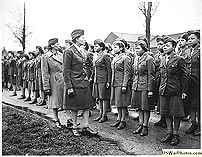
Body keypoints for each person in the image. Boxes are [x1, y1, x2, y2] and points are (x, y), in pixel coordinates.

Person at [63, 29, 98, 136]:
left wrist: (87, 76)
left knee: (87, 105)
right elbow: (66, 70)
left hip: (84, 82)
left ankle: (85, 126)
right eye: (82, 37)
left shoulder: (82, 51)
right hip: (74, 83)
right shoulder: (69, 51)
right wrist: (69, 86)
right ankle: (74, 126)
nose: (84, 39)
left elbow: (86, 65)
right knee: (74, 106)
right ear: (77, 39)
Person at [159, 36, 188, 146]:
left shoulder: (179, 59)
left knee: (176, 113)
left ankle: (175, 134)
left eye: (168, 45)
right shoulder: (162, 59)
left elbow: (183, 76)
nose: (165, 47)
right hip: (164, 89)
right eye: (164, 45)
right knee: (166, 112)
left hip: (175, 90)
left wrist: (184, 91)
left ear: (174, 47)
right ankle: (169, 133)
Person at [131, 37, 155, 136]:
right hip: (136, 85)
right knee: (139, 107)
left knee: (146, 107)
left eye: (138, 48)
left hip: (145, 86)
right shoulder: (136, 58)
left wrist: (150, 89)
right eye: (135, 48)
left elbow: (151, 75)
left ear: (144, 48)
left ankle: (145, 126)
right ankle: (140, 124)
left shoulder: (149, 58)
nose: (136, 50)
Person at [41, 38, 64, 128]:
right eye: (57, 44)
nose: (58, 46)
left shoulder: (61, 55)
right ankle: (56, 119)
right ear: (52, 46)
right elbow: (45, 73)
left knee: (65, 100)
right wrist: (46, 86)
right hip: (53, 81)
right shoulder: (46, 57)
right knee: (55, 102)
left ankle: (69, 119)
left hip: (63, 79)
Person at [110, 40, 131, 130]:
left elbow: (127, 72)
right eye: (113, 47)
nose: (114, 49)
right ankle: (119, 119)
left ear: (121, 48)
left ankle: (123, 120)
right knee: (118, 103)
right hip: (115, 82)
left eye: (115, 47)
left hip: (121, 82)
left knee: (122, 103)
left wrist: (124, 85)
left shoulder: (125, 58)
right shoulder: (115, 58)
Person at [92, 39, 112, 123]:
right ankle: (100, 113)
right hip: (97, 79)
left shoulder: (105, 56)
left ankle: (104, 115)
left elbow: (109, 69)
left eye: (96, 46)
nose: (95, 47)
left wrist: (108, 81)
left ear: (101, 47)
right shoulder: (96, 55)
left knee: (104, 98)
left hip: (103, 79)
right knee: (99, 98)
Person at [185, 31, 200, 136]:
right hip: (189, 81)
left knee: (199, 104)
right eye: (189, 39)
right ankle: (193, 123)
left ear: (198, 39)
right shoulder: (187, 51)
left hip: (198, 81)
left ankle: (200, 125)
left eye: (192, 39)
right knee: (191, 103)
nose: (189, 41)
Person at [176, 33, 191, 121]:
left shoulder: (187, 51)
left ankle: (187, 114)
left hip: (187, 75)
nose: (180, 42)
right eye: (179, 41)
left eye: (182, 40)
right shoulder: (179, 51)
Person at [153, 36, 167, 128]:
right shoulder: (156, 56)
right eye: (158, 44)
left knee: (164, 99)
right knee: (159, 99)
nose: (159, 46)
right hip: (157, 78)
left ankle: (165, 119)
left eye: (161, 44)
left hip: (164, 79)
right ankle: (162, 118)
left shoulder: (166, 56)